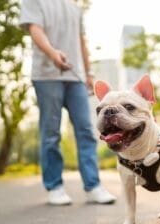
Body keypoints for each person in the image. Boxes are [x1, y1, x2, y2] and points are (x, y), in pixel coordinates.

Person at [19, 0, 116, 205]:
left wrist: (88, 73)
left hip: (76, 77)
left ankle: (93, 186)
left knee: (87, 131)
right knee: (51, 133)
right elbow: (35, 30)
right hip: (46, 76)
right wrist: (53, 53)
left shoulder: (74, 6)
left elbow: (81, 41)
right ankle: (55, 187)